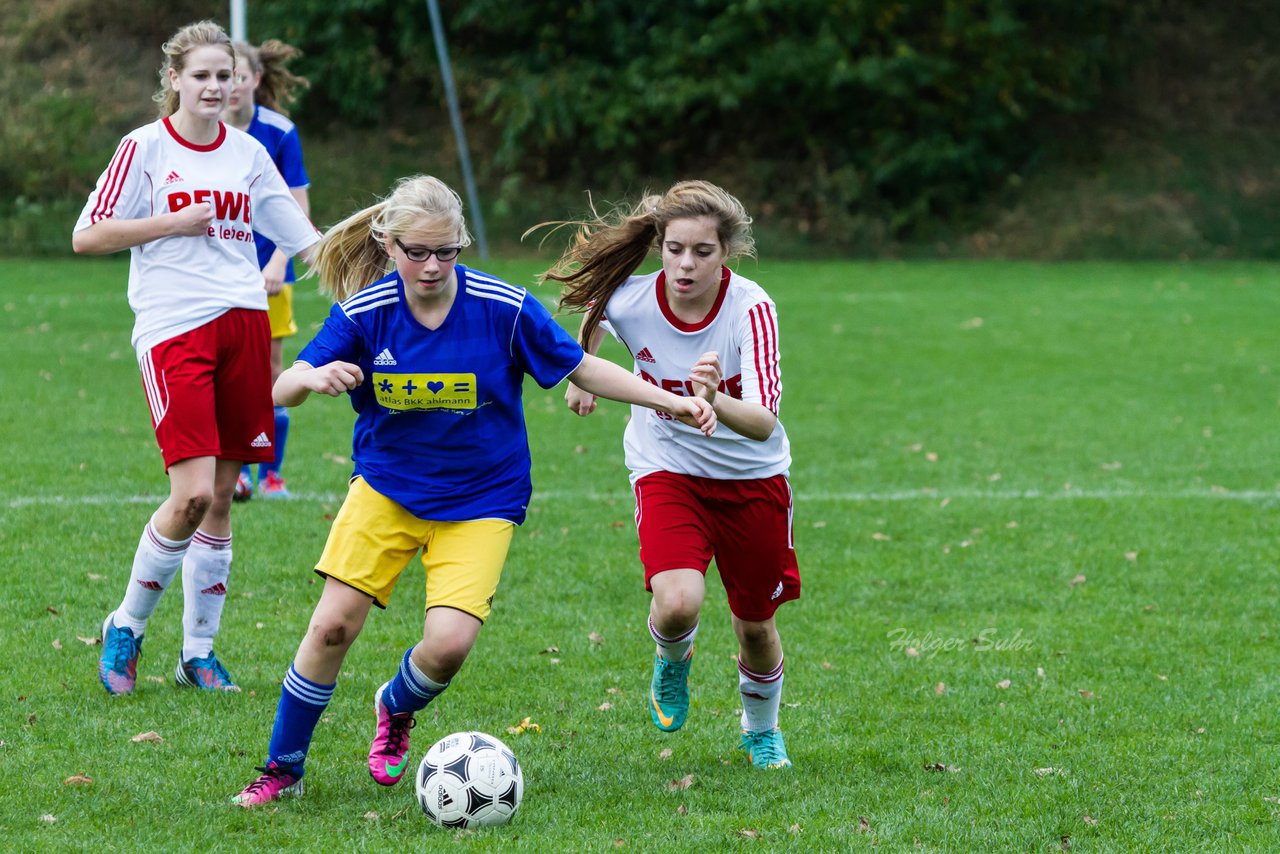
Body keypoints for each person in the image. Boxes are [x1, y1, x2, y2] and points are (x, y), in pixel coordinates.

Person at [232, 175, 715, 806]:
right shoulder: (365, 312)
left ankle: (395, 707)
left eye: (447, 252)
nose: (432, 266)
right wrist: (314, 376)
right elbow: (281, 387)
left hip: (484, 497)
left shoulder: (502, 308)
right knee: (329, 629)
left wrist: (666, 400)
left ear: (462, 243)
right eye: (416, 252)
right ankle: (282, 768)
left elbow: (578, 365)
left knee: (450, 645)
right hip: (387, 491)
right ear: (388, 244)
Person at [72, 20, 320, 696]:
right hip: (174, 328)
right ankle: (126, 624)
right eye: (203, 75)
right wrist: (170, 223)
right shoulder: (145, 148)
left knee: (221, 501)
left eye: (227, 76)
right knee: (189, 495)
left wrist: (382, 246)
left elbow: (302, 238)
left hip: (244, 322)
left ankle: (198, 654)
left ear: (242, 83)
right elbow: (87, 235)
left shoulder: (248, 153)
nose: (217, 86)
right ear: (175, 80)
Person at [541, 180, 799, 769]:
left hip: (752, 480)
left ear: (724, 254)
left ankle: (760, 730)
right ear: (659, 243)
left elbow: (762, 423)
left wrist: (713, 397)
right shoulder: (632, 298)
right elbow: (593, 312)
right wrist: (587, 373)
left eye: (702, 252)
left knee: (755, 627)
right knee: (678, 601)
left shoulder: (751, 309)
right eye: (674, 248)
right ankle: (672, 660)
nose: (686, 264)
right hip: (667, 469)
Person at [223, 39, 313, 501]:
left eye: (238, 75)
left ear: (255, 79)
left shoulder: (278, 132)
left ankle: (271, 474)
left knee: (270, 371)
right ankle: (234, 472)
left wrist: (279, 260)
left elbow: (299, 212)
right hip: (220, 277)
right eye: (222, 76)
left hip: (271, 275)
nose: (230, 86)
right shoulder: (203, 132)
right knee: (227, 373)